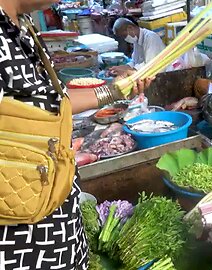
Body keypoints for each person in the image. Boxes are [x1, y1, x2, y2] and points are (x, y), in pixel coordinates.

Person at [0, 1, 152, 269]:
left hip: (57, 218)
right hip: (19, 236)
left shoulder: (23, 25)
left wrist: (114, 90)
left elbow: (52, 101)